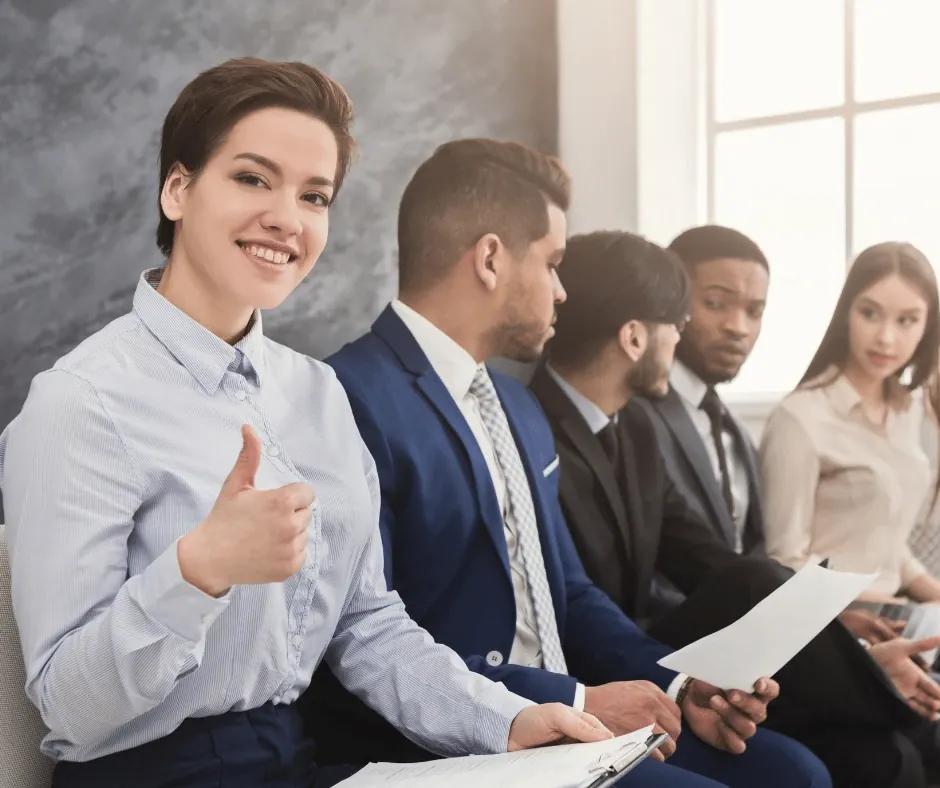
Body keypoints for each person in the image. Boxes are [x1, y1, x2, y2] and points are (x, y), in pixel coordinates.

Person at [0, 59, 612, 788]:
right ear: (177, 189)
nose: (287, 219)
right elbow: (68, 705)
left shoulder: (318, 392)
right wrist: (198, 570)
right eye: (252, 178)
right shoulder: (80, 401)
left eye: (314, 196)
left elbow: (368, 627)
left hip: (295, 762)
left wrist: (504, 721)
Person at [314, 139, 831, 787]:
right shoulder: (346, 398)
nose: (562, 291)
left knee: (797, 773)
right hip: (457, 738)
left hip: (567, 713)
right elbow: (367, 637)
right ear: (491, 259)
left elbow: (570, 591)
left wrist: (677, 683)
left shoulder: (516, 406)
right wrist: (574, 697)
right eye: (553, 263)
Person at [534, 228, 940, 788]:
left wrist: (835, 630)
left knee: (880, 747)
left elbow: (704, 556)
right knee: (756, 581)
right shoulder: (535, 426)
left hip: (665, 644)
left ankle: (880, 683)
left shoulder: (636, 427)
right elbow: (578, 602)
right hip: (608, 653)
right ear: (634, 337)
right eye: (678, 324)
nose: (683, 337)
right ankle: (881, 687)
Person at [761, 242, 940, 606]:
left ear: (927, 326)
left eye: (907, 320)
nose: (886, 338)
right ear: (847, 313)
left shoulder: (907, 411)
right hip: (826, 621)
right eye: (870, 313)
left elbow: (886, 545)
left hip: (892, 612)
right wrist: (881, 607)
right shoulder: (799, 417)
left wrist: (932, 595)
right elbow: (785, 562)